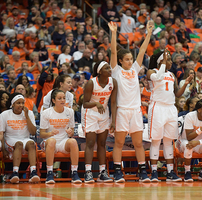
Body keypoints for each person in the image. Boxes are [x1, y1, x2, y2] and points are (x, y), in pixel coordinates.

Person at [109, 21, 153, 182]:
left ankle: (142, 171)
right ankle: (118, 172)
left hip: (135, 110)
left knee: (138, 143)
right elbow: (113, 52)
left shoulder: (134, 69)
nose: (130, 61)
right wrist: (114, 33)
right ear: (121, 61)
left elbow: (142, 50)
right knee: (119, 143)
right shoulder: (116, 71)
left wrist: (148, 33)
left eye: (130, 59)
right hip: (121, 110)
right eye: (127, 59)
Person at [147, 50, 193, 182]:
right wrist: (162, 62)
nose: (171, 62)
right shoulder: (152, 72)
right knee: (156, 140)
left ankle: (170, 172)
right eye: (168, 60)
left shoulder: (171, 74)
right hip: (157, 107)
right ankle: (154, 172)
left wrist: (185, 84)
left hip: (170, 108)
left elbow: (177, 94)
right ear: (161, 61)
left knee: (168, 141)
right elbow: (157, 78)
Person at [82, 61, 118, 183]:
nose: (110, 69)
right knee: (91, 143)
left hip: (104, 113)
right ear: (100, 71)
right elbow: (85, 103)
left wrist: (113, 120)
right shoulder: (91, 83)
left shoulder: (113, 82)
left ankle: (103, 172)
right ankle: (88, 172)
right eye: (106, 68)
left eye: (109, 67)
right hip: (91, 113)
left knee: (102, 143)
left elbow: (113, 102)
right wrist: (96, 103)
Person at [40, 89, 82, 184]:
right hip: (49, 142)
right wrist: (50, 133)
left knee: (73, 142)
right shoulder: (46, 113)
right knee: (51, 141)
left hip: (63, 141)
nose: (62, 100)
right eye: (59, 98)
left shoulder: (70, 112)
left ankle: (74, 173)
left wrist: (70, 132)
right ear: (53, 100)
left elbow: (71, 133)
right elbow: (42, 133)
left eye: (64, 98)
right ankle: (49, 173)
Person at [1, 93, 39, 183]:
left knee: (31, 143)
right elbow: (1, 133)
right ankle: (15, 173)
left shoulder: (29, 113)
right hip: (10, 139)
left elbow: (33, 132)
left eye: (22, 103)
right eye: (18, 103)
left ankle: (33, 171)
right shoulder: (5, 114)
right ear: (13, 104)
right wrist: (3, 149)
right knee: (19, 144)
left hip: (24, 138)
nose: (21, 105)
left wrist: (26, 117)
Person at [179, 99, 202, 182]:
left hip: (199, 143)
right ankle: (187, 172)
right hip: (185, 142)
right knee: (189, 145)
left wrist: (199, 142)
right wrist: (201, 129)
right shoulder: (190, 116)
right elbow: (189, 137)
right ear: (199, 110)